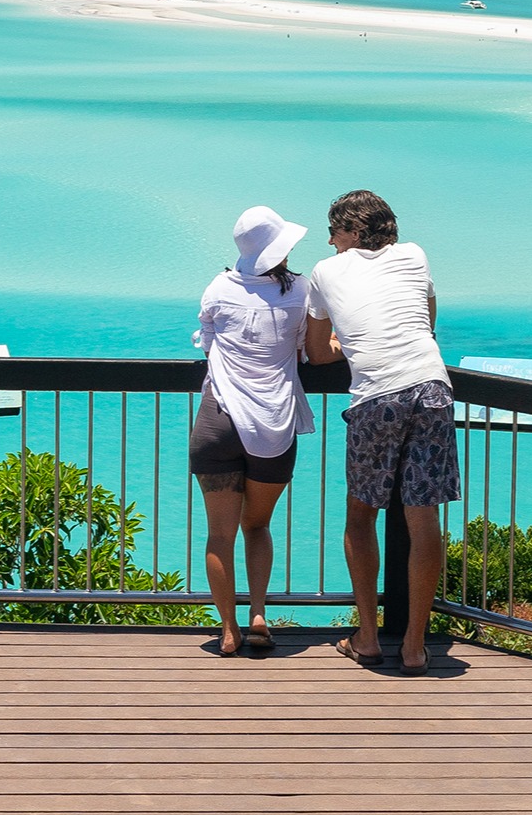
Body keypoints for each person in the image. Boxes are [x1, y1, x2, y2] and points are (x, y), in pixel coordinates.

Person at [303, 188, 455, 673]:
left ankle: (367, 637)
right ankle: (414, 645)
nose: (329, 241)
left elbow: (318, 354)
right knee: (423, 517)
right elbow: (427, 323)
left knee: (360, 515)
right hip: (430, 386)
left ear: (353, 230)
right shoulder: (414, 254)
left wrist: (344, 343)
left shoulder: (325, 273)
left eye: (334, 230)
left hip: (377, 396)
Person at [192, 206, 315, 657]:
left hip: (217, 421)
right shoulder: (299, 291)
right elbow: (307, 349)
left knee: (218, 535)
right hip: (273, 426)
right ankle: (259, 613)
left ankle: (228, 631)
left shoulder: (219, 287)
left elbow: (206, 339)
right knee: (257, 525)